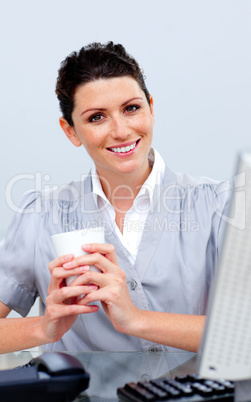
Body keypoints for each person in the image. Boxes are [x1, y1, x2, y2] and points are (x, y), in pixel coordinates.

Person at [0, 42, 230, 354]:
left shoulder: (219, 205)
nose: (120, 131)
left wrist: (136, 320)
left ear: (151, 107)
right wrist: (43, 328)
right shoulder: (40, 215)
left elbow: (244, 334)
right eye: (96, 117)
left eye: (131, 108)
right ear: (70, 131)